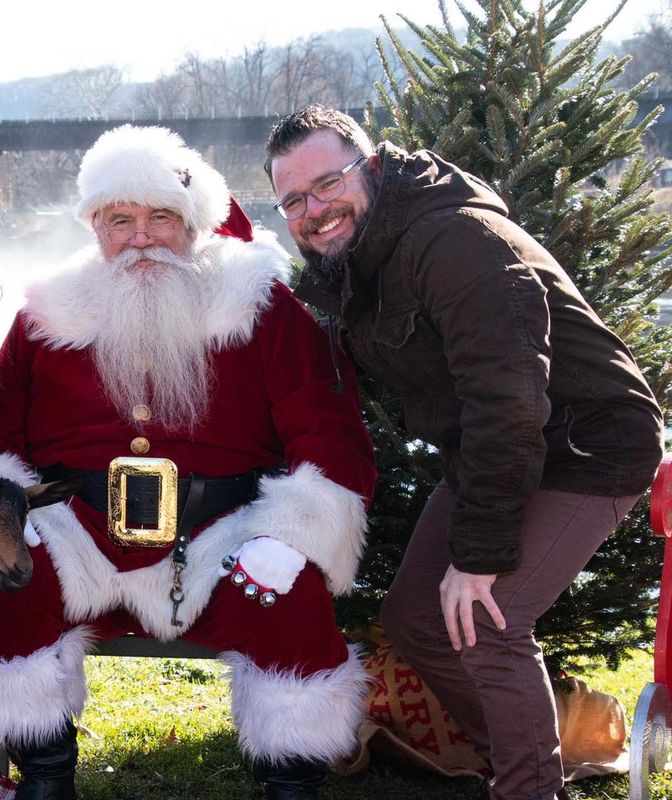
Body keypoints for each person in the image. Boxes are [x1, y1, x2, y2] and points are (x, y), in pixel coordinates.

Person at [0, 124, 378, 800]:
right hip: (78, 533)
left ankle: (292, 787)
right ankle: (46, 778)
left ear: (193, 225)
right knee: (9, 589)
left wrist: (292, 533)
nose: (140, 237)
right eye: (121, 220)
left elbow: (329, 431)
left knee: (287, 599)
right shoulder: (49, 314)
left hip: (224, 535)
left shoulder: (260, 306)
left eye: (160, 219)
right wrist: (2, 508)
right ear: (95, 226)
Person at [264, 105, 665, 800]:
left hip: (587, 443)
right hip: (497, 448)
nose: (314, 209)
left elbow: (509, 399)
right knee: (416, 616)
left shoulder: (458, 242)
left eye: (328, 183)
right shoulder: (359, 265)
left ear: (375, 170)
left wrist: (479, 556)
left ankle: (528, 787)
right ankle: (522, 759)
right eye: (294, 200)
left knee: (489, 619)